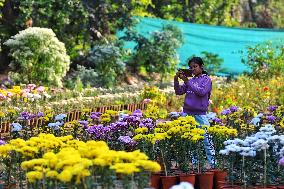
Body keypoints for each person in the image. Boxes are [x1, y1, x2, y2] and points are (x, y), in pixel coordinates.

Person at [174, 56, 216, 168]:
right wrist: (176, 79)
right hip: (187, 113)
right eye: (191, 67)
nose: (193, 69)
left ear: (201, 66)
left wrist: (187, 81)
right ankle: (195, 164)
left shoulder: (206, 80)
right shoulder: (191, 80)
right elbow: (178, 92)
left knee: (207, 138)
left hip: (200, 114)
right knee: (190, 140)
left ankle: (213, 164)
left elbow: (201, 92)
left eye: (195, 66)